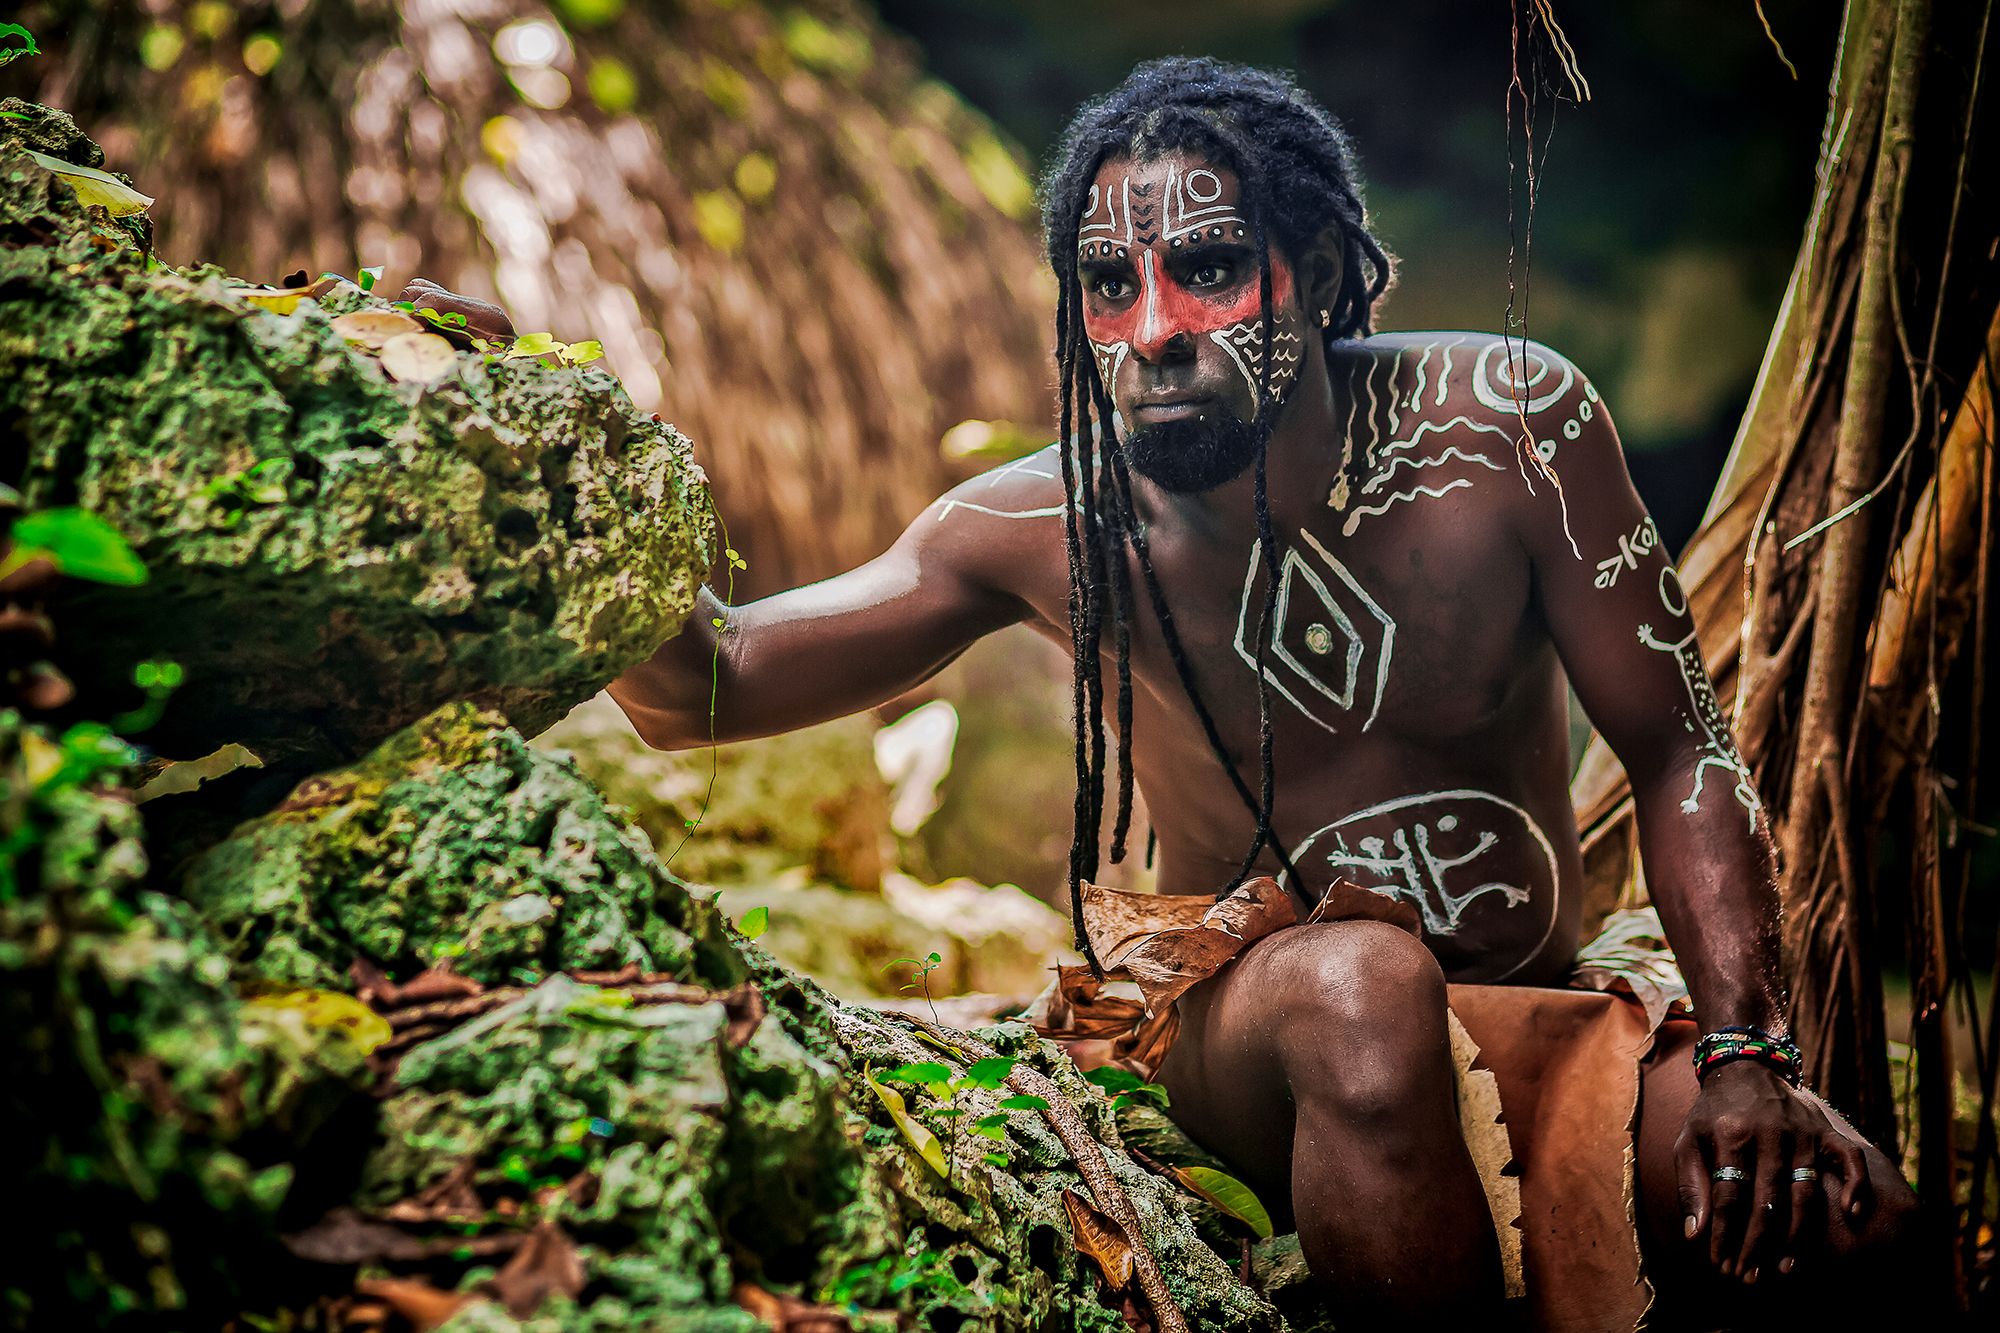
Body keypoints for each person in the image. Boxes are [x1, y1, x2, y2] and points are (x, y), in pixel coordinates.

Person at [591, 58, 1918, 1331]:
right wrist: (549, 451)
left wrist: (1748, 1048)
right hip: (1253, 1041)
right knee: (1359, 986)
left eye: (1210, 267)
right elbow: (710, 680)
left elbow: (1679, 747)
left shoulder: (1512, 432)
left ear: (1325, 270)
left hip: (1533, 1008)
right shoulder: (1045, 523)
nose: (1156, 326)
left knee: (1858, 1218)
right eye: (1110, 285)